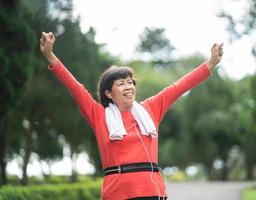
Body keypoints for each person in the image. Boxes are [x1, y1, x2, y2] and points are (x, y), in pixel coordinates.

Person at [40, 31, 223, 200]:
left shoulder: (150, 108)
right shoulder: (99, 115)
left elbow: (179, 87)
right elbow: (75, 87)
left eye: (130, 82)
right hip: (117, 193)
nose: (128, 86)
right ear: (109, 94)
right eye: (121, 83)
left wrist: (210, 63)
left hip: (152, 192)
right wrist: (50, 56)